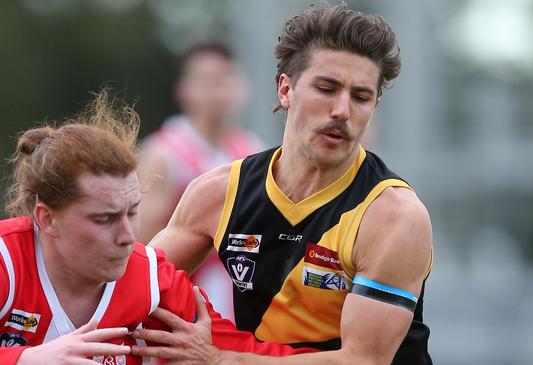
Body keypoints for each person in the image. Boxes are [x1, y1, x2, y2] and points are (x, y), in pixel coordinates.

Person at [141, 3, 434, 364]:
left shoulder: (394, 215)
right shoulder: (219, 191)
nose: (342, 110)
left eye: (360, 97)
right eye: (326, 89)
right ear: (285, 89)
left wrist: (221, 359)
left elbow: (363, 361)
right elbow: (136, 283)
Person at [0, 91, 311, 364]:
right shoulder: (7, 262)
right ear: (46, 218)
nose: (127, 236)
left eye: (132, 212)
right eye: (104, 219)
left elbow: (246, 352)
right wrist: (26, 358)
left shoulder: (149, 280)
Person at [137, 42, 262, 320]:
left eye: (224, 79)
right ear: (184, 90)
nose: (216, 91)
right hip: (182, 300)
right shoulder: (164, 153)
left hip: (238, 301)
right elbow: (142, 243)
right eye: (206, 80)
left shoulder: (251, 150)